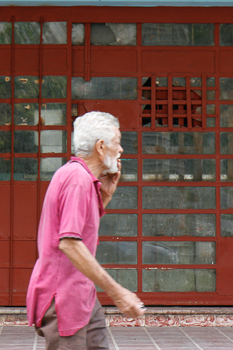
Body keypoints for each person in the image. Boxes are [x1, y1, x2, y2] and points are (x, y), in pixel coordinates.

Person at [26, 111, 145, 350]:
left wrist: (106, 195)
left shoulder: (79, 177)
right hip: (64, 297)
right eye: (117, 142)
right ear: (101, 147)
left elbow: (80, 226)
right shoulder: (77, 179)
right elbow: (69, 242)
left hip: (82, 295)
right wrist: (118, 292)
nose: (121, 149)